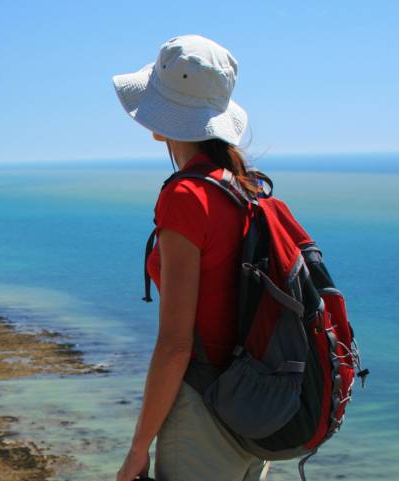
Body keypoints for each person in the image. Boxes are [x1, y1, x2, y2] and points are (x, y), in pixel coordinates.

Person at [111, 35, 268, 481]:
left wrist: (138, 449)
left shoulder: (185, 196)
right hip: (253, 405)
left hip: (204, 414)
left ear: (163, 120)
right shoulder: (244, 186)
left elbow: (177, 345)